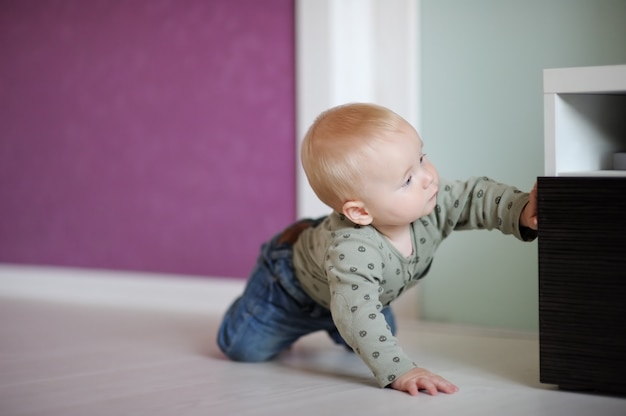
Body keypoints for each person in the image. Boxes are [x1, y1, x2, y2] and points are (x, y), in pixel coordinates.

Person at [217, 102, 538, 396]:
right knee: (244, 349)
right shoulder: (353, 249)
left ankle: (336, 317)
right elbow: (359, 316)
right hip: (290, 289)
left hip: (351, 296)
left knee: (368, 325)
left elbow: (475, 197)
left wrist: (522, 210)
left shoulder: (431, 203)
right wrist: (401, 371)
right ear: (359, 213)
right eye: (407, 180)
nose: (428, 178)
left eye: (422, 159)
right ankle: (260, 301)